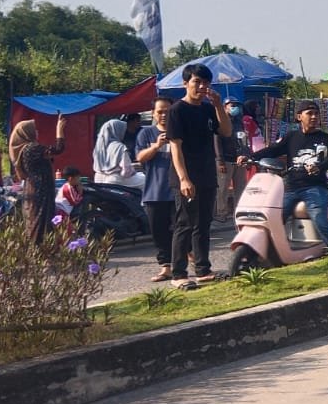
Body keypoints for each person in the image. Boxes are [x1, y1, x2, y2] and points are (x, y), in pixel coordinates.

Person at [166, 63, 233, 288]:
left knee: (203, 224)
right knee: (184, 224)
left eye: (206, 83)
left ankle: (203, 269)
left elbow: (226, 131)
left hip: (207, 174)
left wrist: (218, 106)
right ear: (186, 83)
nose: (202, 87)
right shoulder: (177, 110)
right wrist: (184, 179)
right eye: (197, 82)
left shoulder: (207, 109)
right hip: (186, 176)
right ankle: (178, 274)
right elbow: (175, 147)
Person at [244, 100, 328, 248]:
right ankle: (270, 251)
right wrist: (250, 157)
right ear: (299, 117)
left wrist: (319, 167)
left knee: (320, 220)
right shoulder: (291, 136)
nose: (314, 117)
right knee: (274, 217)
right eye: (310, 113)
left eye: (316, 114)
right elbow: (273, 150)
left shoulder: (326, 138)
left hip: (315, 187)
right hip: (290, 187)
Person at [135, 98, 176, 283]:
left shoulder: (180, 130)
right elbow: (140, 157)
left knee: (182, 229)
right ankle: (166, 267)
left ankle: (188, 260)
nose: (164, 115)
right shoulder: (146, 133)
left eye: (168, 111)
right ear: (153, 113)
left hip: (178, 190)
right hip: (155, 191)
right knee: (159, 232)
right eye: (160, 111)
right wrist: (156, 146)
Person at [8, 116, 67, 241]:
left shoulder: (26, 150)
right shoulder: (32, 148)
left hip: (35, 188)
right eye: (34, 129)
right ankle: (39, 248)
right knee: (40, 221)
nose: (37, 132)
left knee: (36, 220)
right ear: (27, 133)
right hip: (40, 190)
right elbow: (58, 149)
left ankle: (39, 247)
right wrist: (59, 130)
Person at [92, 118, 146, 189]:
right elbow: (126, 172)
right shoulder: (119, 146)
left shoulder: (98, 147)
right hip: (115, 179)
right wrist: (134, 169)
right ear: (118, 131)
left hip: (98, 178)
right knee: (146, 180)